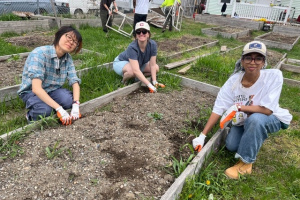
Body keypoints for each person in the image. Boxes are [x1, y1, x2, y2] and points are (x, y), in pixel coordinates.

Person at [192, 41, 292, 179]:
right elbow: (219, 107)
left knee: (256, 120)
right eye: (248, 58)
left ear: (263, 62)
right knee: (231, 146)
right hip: (244, 121)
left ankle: (246, 163)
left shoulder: (273, 76)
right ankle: (254, 137)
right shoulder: (234, 81)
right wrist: (202, 136)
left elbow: (268, 110)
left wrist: (239, 107)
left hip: (271, 118)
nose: (253, 62)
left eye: (258, 58)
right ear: (242, 60)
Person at [17, 26, 83, 125]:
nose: (71, 42)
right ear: (59, 35)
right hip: (31, 92)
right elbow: (36, 88)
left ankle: (51, 104)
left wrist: (76, 104)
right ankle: (30, 115)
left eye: (75, 42)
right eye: (69, 37)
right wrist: (59, 108)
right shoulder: (39, 54)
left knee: (69, 101)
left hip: (52, 89)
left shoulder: (67, 58)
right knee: (44, 111)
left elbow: (74, 81)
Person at [113, 21, 165, 93]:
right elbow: (136, 70)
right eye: (138, 32)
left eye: (144, 31)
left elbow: (152, 65)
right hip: (122, 62)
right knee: (132, 72)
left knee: (156, 68)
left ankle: (137, 78)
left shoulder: (152, 45)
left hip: (138, 63)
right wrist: (149, 85)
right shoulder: (132, 47)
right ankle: (123, 81)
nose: (141, 34)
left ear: (148, 34)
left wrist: (154, 82)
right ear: (136, 35)